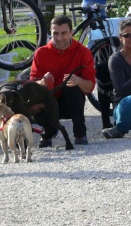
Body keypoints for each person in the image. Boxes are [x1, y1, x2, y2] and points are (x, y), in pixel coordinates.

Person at [29, 15, 96, 147]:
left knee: (74, 89)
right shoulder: (41, 53)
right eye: (55, 33)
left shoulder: (83, 52)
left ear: (71, 32)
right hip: (47, 102)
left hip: (69, 102)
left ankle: (80, 134)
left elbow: (89, 87)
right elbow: (31, 85)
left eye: (64, 33)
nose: (59, 38)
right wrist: (41, 82)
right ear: (50, 33)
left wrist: (78, 80)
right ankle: (48, 132)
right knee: (34, 99)